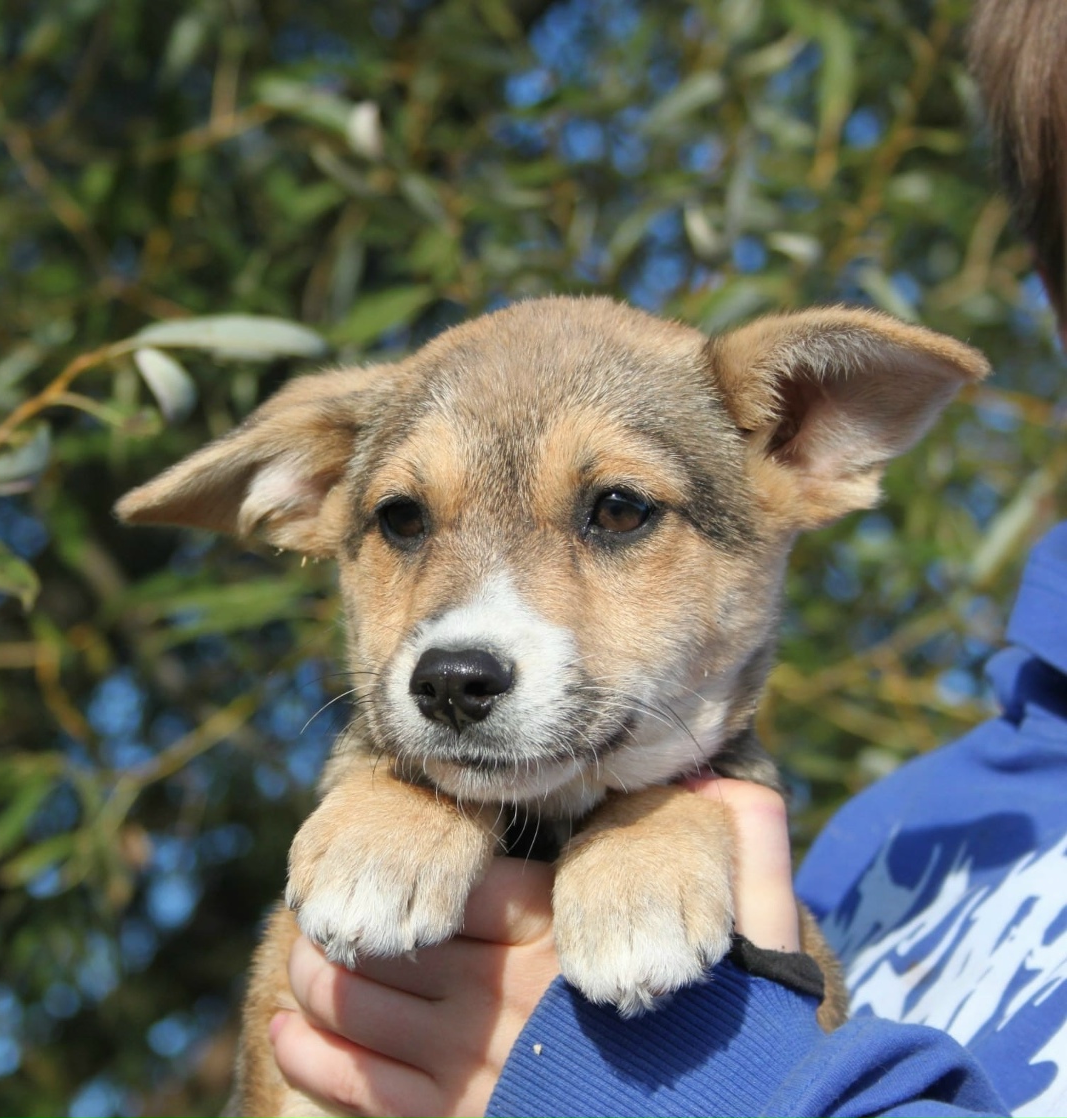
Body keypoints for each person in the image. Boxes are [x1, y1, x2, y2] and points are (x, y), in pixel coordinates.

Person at [267, 1, 1067, 1114]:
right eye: (407, 520)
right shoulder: (894, 844)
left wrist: (677, 1076)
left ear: (794, 440)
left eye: (615, 510)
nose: (465, 633)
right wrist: (384, 797)